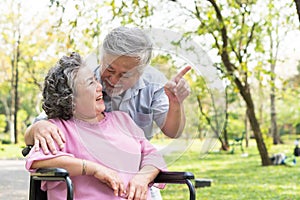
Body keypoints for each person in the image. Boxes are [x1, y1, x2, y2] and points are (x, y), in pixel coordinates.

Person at [24, 26, 191, 154]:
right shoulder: (85, 83)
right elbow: (43, 122)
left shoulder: (154, 85)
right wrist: (37, 128)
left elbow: (172, 132)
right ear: (102, 59)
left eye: (124, 75)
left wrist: (176, 104)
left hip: (135, 168)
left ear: (141, 72)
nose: (113, 80)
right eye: (109, 70)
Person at [25, 52, 167, 200]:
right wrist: (92, 169)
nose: (99, 86)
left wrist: (143, 177)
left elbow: (153, 156)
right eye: (90, 83)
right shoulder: (57, 129)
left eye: (95, 80)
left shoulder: (122, 120)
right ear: (70, 98)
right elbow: (38, 161)